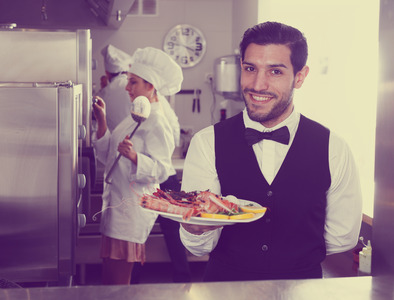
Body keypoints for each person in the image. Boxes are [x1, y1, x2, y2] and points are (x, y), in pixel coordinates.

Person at [179, 21, 363, 282]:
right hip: (223, 290)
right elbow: (198, 247)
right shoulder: (207, 142)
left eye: (275, 71)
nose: (257, 84)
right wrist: (195, 228)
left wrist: (292, 259)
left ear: (299, 77)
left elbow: (342, 236)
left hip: (303, 292)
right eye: (250, 68)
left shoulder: (334, 148)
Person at [92, 47, 183, 285]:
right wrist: (101, 120)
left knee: (118, 285)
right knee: (109, 282)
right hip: (116, 208)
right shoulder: (135, 115)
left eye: (133, 82)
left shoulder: (157, 121)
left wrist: (135, 157)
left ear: (150, 86)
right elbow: (108, 156)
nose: (126, 87)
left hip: (130, 211)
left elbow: (162, 169)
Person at [97, 44, 133, 131]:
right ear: (128, 70)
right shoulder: (136, 86)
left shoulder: (102, 94)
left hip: (117, 141)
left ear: (107, 73)